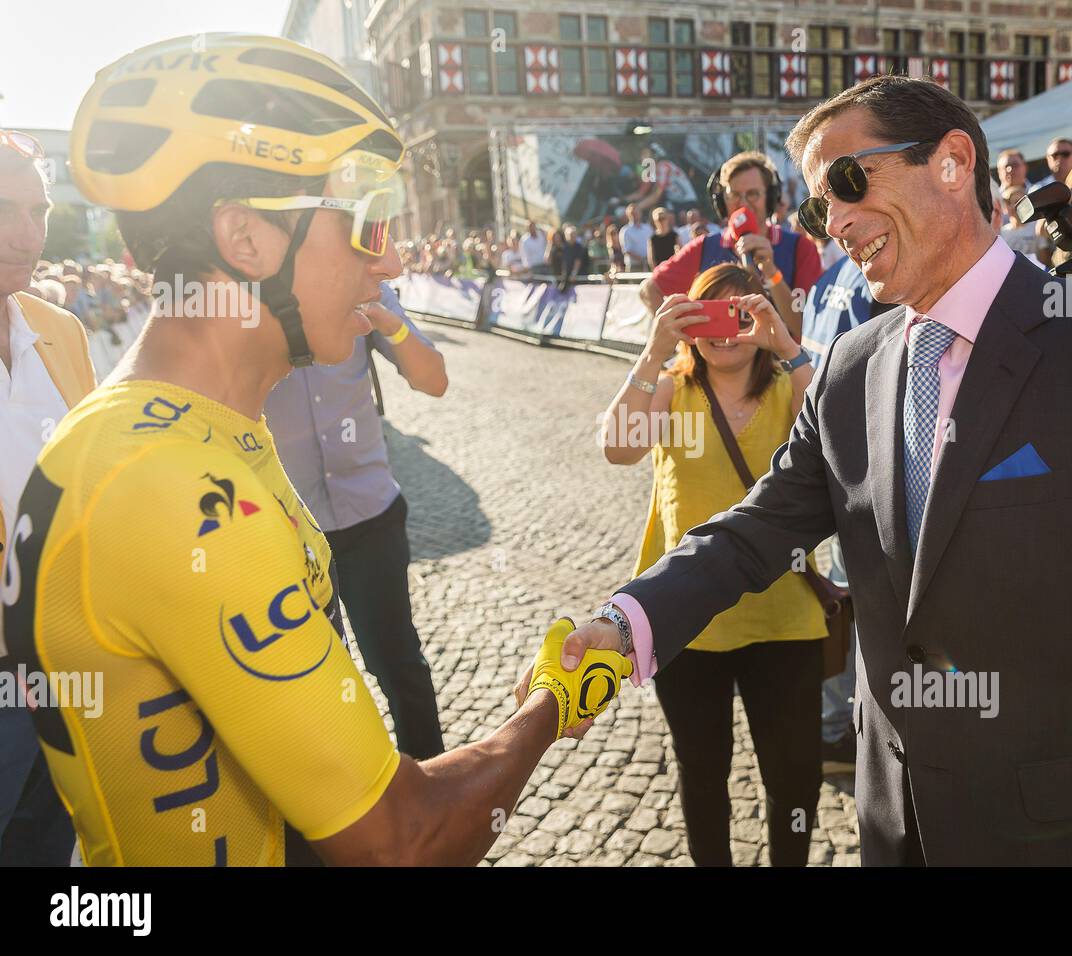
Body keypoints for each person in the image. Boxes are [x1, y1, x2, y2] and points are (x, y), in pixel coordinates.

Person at [526, 73, 1072, 866]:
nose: (837, 224)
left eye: (850, 183)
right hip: (896, 828)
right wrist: (625, 626)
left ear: (954, 163)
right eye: (820, 208)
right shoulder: (849, 368)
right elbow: (755, 530)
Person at [3, 34, 630, 867]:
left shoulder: (187, 430)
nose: (393, 258)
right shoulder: (166, 486)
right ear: (247, 240)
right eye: (367, 222)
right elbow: (403, 842)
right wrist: (558, 694)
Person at [601, 262, 824, 865]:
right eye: (709, 314)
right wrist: (653, 353)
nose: (724, 330)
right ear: (687, 322)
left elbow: (840, 439)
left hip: (786, 617)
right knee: (702, 776)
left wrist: (789, 346)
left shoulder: (787, 387)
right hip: (686, 619)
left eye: (739, 313)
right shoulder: (672, 387)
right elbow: (618, 446)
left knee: (795, 779)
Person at [263, 282, 447, 760]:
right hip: (286, 532)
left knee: (400, 666)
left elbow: (435, 380)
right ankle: (350, 810)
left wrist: (390, 323)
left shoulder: (362, 281)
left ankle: (430, 797)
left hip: (371, 516)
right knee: (316, 685)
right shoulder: (241, 294)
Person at [0, 130, 82, 866]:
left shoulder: (61, 330)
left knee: (47, 848)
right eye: (4, 209)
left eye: (40, 209)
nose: (28, 233)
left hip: (68, 659)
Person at [797, 231, 888, 774]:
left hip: (837, 468)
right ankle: (846, 729)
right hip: (867, 476)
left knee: (842, 606)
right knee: (860, 609)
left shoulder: (826, 281)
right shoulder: (868, 278)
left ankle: (835, 727)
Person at [642, 151, 822, 339]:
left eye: (752, 194)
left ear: (770, 198)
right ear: (722, 201)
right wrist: (682, 343)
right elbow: (650, 289)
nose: (743, 203)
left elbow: (804, 328)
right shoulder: (704, 247)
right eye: (734, 194)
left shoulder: (801, 248)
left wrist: (770, 272)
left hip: (780, 365)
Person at [997, 184, 1047, 264]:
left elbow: (1044, 257)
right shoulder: (1002, 233)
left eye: (1021, 202)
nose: (1019, 206)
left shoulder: (1037, 227)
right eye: (1014, 202)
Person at [618, 203, 654, 272]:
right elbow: (626, 250)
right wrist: (642, 259)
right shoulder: (625, 231)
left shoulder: (648, 228)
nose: (635, 215)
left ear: (640, 213)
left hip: (649, 264)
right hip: (634, 266)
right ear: (628, 215)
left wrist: (648, 259)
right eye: (632, 213)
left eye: (637, 212)